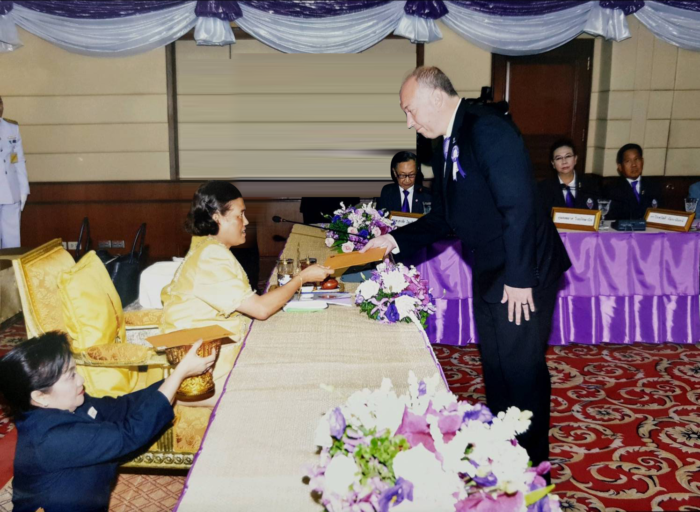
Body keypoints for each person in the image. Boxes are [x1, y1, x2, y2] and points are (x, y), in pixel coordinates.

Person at [362, 67, 571, 469]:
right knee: (495, 366)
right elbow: (445, 217)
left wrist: (519, 280)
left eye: (410, 110)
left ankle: (532, 469)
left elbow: (520, 208)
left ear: (435, 98)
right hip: (491, 268)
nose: (409, 122)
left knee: (521, 370)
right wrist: (393, 240)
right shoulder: (445, 142)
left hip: (523, 270)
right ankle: (505, 453)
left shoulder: (488, 129)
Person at [0, 331, 215, 512]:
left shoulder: (70, 404)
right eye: (70, 376)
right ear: (40, 397)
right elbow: (129, 434)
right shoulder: (50, 439)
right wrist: (179, 374)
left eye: (75, 371)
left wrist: (178, 379)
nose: (81, 380)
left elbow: (123, 406)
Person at [161, 181, 332, 404]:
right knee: (294, 373)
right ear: (217, 217)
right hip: (204, 368)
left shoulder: (208, 247)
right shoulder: (210, 256)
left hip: (211, 348)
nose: (247, 222)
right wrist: (301, 278)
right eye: (240, 215)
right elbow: (260, 310)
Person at [537, 138, 602, 214]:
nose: (564, 162)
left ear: (575, 159)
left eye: (568, 156)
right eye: (558, 158)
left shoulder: (590, 184)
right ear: (553, 163)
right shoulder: (543, 188)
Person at [0, 95, 30, 248]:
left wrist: (23, 190)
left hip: (11, 192)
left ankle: (10, 265)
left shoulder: (11, 128)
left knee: (12, 242)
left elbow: (18, 160)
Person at [605, 143, 663, 220]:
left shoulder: (653, 186)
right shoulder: (611, 189)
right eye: (628, 161)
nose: (634, 165)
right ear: (620, 167)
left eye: (637, 159)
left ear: (642, 161)